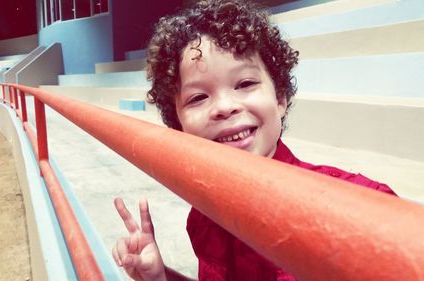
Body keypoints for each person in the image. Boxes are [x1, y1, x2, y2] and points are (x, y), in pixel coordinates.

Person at [111, 0, 397, 280]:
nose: (225, 106)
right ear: (179, 126)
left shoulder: (360, 208)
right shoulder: (202, 219)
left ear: (280, 98)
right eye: (198, 97)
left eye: (245, 83)